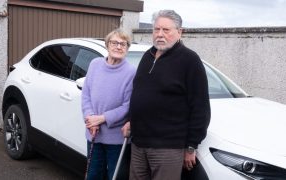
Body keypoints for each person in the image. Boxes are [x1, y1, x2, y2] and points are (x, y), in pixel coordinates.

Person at [123, 10, 211, 180]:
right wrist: (129, 119)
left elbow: (200, 107)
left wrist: (191, 146)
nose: (160, 34)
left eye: (166, 30)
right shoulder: (147, 56)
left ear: (180, 32)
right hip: (139, 143)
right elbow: (138, 93)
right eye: (156, 29)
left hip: (167, 148)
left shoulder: (189, 60)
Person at [81, 29, 135, 180]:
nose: (118, 47)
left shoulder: (131, 72)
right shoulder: (95, 64)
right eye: (114, 43)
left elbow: (128, 106)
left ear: (127, 48)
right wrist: (90, 118)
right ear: (107, 45)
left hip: (117, 140)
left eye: (123, 44)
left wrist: (102, 118)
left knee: (116, 176)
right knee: (93, 175)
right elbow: (86, 94)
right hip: (94, 134)